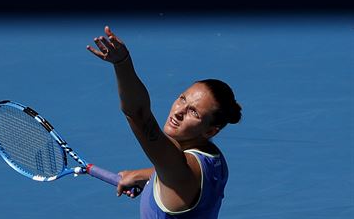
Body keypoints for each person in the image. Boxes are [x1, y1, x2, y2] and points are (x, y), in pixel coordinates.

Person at [87, 26, 242, 218]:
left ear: (211, 131)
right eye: (182, 99)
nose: (178, 111)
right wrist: (143, 175)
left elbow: (137, 114)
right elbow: (176, 169)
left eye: (193, 112)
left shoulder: (177, 168)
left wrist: (122, 63)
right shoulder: (214, 159)